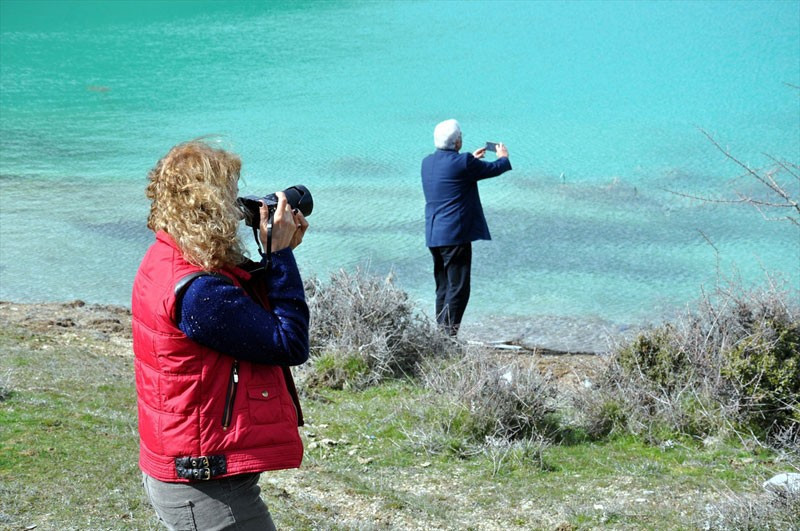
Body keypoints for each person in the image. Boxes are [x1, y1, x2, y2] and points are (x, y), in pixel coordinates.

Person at [132, 139, 310, 530]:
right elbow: (288, 342)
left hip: (191, 472)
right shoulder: (200, 290)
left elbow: (239, 317)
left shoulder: (167, 256)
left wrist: (272, 254)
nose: (237, 207)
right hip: (206, 488)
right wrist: (280, 257)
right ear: (209, 207)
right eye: (230, 196)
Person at [421, 119, 512, 335]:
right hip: (455, 235)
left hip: (434, 235)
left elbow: (453, 173)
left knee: (443, 287)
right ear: (457, 141)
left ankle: (440, 336)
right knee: (459, 289)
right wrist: (503, 156)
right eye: (461, 134)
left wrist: (471, 159)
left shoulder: (427, 162)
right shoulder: (463, 163)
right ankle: (447, 338)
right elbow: (495, 168)